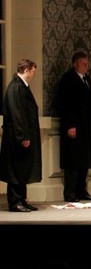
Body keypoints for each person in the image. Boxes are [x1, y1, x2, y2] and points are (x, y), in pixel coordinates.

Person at [56, 51, 91, 202]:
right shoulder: (68, 79)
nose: (86, 66)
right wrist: (70, 124)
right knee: (73, 161)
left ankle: (81, 190)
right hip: (75, 126)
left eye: (87, 63)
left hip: (86, 127)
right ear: (75, 64)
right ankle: (70, 192)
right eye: (83, 64)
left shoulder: (86, 79)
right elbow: (66, 103)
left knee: (84, 160)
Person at [0, 59, 41, 212]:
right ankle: (15, 201)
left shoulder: (21, 86)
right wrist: (22, 136)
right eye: (33, 72)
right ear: (26, 70)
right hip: (16, 137)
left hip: (21, 135)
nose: (33, 75)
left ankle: (22, 200)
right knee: (16, 170)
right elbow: (17, 114)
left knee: (22, 169)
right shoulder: (15, 87)